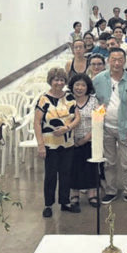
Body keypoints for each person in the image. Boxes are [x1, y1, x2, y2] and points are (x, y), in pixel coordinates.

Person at [92, 48, 127, 206]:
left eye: (120, 59)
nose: (116, 63)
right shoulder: (98, 79)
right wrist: (97, 124)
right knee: (109, 162)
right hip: (105, 127)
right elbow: (94, 102)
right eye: (113, 59)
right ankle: (110, 191)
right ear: (108, 61)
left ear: (125, 61)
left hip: (126, 128)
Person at [35, 68, 79, 217]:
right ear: (50, 81)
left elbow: (77, 118)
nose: (59, 83)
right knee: (51, 175)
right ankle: (48, 204)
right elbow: (37, 122)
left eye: (62, 80)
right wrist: (41, 145)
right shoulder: (43, 99)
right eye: (56, 80)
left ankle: (65, 202)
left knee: (66, 173)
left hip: (68, 142)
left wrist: (67, 128)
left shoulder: (70, 96)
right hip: (50, 144)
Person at [68, 73, 101, 208]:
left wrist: (86, 138)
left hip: (90, 140)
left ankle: (92, 195)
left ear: (88, 87)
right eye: (77, 85)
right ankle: (74, 194)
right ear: (72, 86)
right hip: (71, 141)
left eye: (83, 85)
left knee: (90, 168)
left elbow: (99, 121)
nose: (80, 88)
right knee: (73, 168)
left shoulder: (94, 101)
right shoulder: (68, 99)